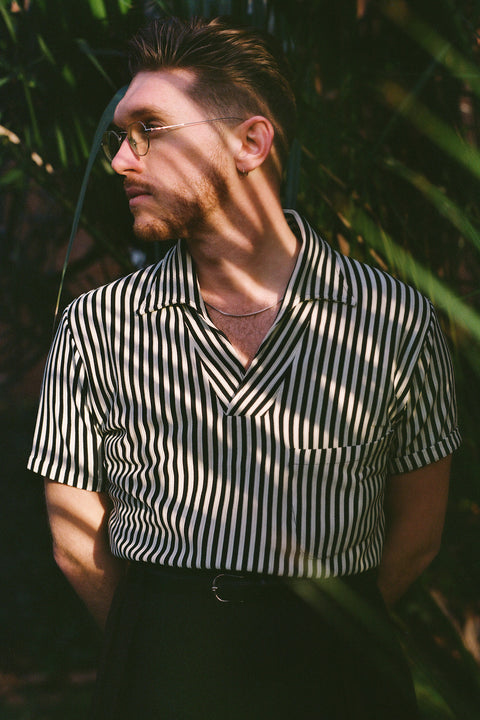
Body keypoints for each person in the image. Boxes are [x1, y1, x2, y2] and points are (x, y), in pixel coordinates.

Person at [28, 16, 461, 720]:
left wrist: (309, 636)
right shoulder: (98, 326)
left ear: (250, 142)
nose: (120, 161)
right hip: (162, 675)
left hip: (341, 679)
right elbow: (76, 543)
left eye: (150, 131)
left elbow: (418, 532)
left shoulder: (393, 320)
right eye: (119, 137)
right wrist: (169, 646)